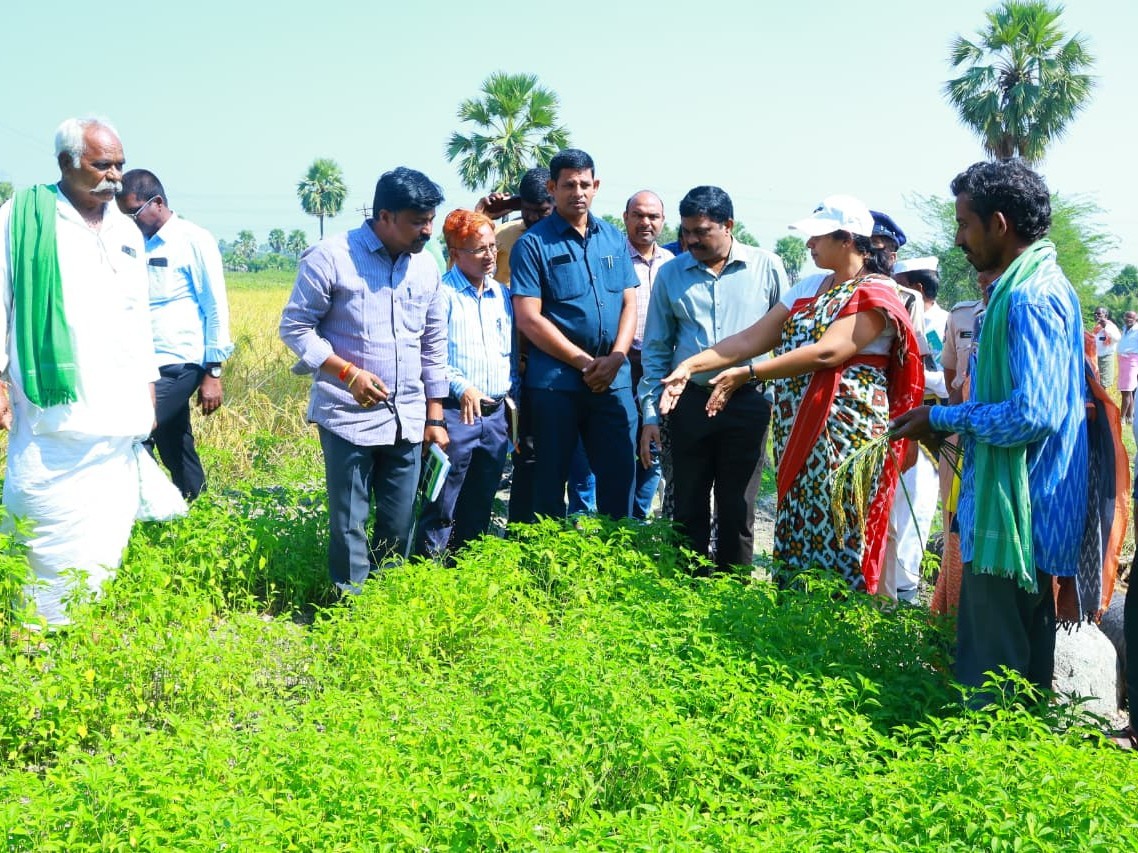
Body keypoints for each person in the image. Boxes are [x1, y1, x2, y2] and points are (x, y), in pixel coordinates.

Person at [892, 159, 1087, 699]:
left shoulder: (1029, 296)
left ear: (998, 224)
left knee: (991, 683)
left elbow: (1033, 413)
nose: (958, 239)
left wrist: (942, 416)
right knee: (1016, 680)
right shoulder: (1027, 287)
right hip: (1018, 509)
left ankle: (987, 771)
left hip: (1017, 518)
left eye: (964, 224)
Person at [659, 195, 922, 591]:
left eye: (817, 237)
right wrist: (691, 365)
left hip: (846, 435)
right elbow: (753, 336)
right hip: (800, 429)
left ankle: (843, 623)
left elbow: (829, 351)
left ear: (847, 239)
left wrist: (748, 373)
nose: (809, 245)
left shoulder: (877, 293)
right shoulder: (810, 286)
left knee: (843, 524)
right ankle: (795, 617)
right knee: (799, 518)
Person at [0, 118, 160, 626]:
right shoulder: (20, 219)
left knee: (104, 527)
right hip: (52, 409)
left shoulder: (126, 230)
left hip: (117, 409)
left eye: (118, 164)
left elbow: (140, 319)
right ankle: (33, 630)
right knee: (41, 517)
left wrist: (148, 388)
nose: (115, 177)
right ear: (66, 163)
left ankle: (84, 622)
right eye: (101, 165)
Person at [280, 167, 449, 594]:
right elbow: (296, 327)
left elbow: (433, 343)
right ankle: (349, 611)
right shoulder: (332, 256)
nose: (427, 230)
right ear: (385, 216)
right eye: (417, 221)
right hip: (347, 417)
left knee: (398, 521)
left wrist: (435, 415)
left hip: (407, 418)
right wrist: (348, 373)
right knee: (349, 521)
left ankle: (386, 604)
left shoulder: (426, 267)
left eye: (430, 219)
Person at [638, 186, 784, 571]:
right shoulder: (671, 274)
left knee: (738, 507)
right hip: (689, 401)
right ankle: (689, 589)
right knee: (688, 504)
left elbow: (788, 338)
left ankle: (732, 591)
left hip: (748, 401)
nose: (691, 240)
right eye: (686, 231)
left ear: (728, 225)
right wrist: (651, 415)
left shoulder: (767, 266)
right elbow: (656, 349)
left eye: (701, 231)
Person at [510, 148, 639, 520]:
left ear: (596, 186)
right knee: (549, 483)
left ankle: (618, 559)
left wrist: (616, 358)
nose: (577, 192)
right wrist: (585, 363)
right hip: (556, 385)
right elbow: (529, 319)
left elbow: (629, 303)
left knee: (619, 477)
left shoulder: (614, 238)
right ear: (553, 187)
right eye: (568, 185)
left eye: (585, 184)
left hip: (613, 383)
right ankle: (545, 573)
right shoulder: (533, 244)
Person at [116, 169, 233, 501]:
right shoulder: (131, 244)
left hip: (178, 361)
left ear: (157, 203)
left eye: (133, 213)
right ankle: (197, 507)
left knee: (134, 432)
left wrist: (213, 372)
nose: (129, 221)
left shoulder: (193, 240)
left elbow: (215, 306)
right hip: (142, 363)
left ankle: (152, 508)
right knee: (174, 440)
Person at [414, 209, 516, 560]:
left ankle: (465, 569)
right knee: (442, 500)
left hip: (495, 414)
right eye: (478, 249)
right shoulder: (441, 295)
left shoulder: (502, 295)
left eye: (492, 247)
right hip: (457, 414)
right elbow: (432, 356)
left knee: (480, 500)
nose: (489, 256)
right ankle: (427, 573)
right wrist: (461, 386)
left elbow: (509, 353)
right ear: (455, 253)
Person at [625, 190, 674, 519]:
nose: (646, 222)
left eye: (653, 216)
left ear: (662, 221)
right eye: (639, 215)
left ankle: (639, 522)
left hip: (662, 370)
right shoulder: (612, 258)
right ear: (625, 218)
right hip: (621, 365)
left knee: (653, 447)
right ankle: (614, 520)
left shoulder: (674, 264)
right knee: (620, 444)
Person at [475, 167, 555, 287]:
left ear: (557, 203)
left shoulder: (572, 238)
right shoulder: (500, 235)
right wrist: (480, 220)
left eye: (542, 211)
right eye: (527, 209)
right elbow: (461, 271)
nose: (532, 217)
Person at [1117, 310, 1138, 423]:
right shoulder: (1125, 328)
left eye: (1131, 318)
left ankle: (1122, 418)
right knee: (1127, 390)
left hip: (1132, 361)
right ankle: (1130, 417)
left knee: (1126, 389)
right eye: (1126, 317)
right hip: (1123, 361)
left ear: (1136, 319)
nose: (1128, 319)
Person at [1093, 305, 1120, 390]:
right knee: (1096, 382)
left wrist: (1106, 327)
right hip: (1096, 358)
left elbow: (1117, 338)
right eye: (1095, 314)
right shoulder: (1097, 328)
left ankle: (1103, 402)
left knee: (1103, 384)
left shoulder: (1110, 326)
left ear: (1106, 315)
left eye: (1099, 314)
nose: (1096, 315)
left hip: (1106, 358)